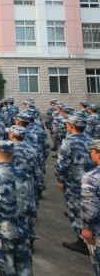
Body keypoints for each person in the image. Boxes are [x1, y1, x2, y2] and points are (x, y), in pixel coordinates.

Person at [0, 140, 36, 276]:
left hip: (2, 229)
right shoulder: (25, 175)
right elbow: (32, 206)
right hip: (22, 228)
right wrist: (30, 227)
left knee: (3, 266)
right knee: (24, 267)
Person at [56, 115, 94, 255]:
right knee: (90, 207)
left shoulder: (68, 142)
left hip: (74, 182)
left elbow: (62, 164)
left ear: (71, 126)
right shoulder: (91, 140)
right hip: (92, 182)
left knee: (76, 210)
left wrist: (60, 179)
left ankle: (82, 241)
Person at [81, 139, 100, 275]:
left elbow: (90, 208)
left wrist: (87, 227)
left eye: (92, 151)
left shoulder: (92, 178)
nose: (90, 153)